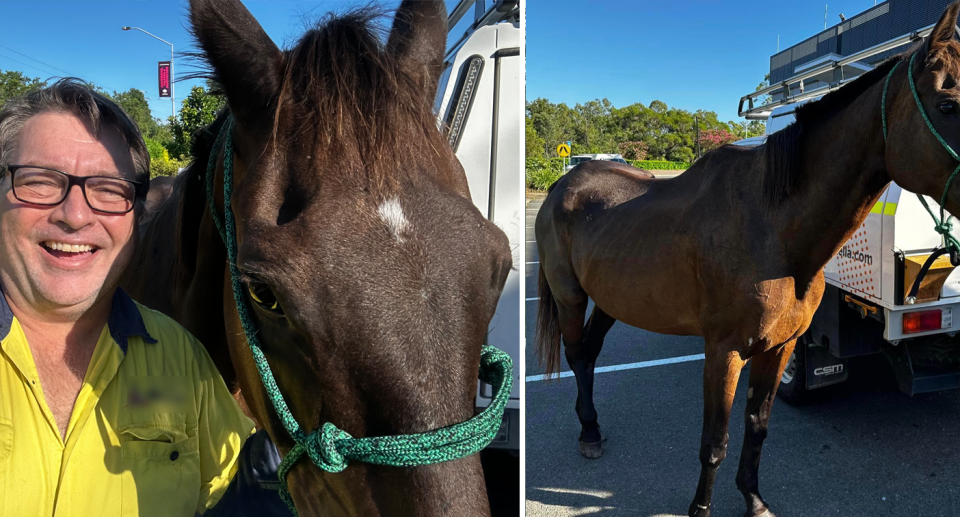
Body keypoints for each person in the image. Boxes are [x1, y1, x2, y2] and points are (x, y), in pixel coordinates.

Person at [0, 78, 255, 516]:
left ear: (137, 214)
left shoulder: (183, 360)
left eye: (108, 189)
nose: (75, 215)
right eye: (40, 181)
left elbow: (241, 487)